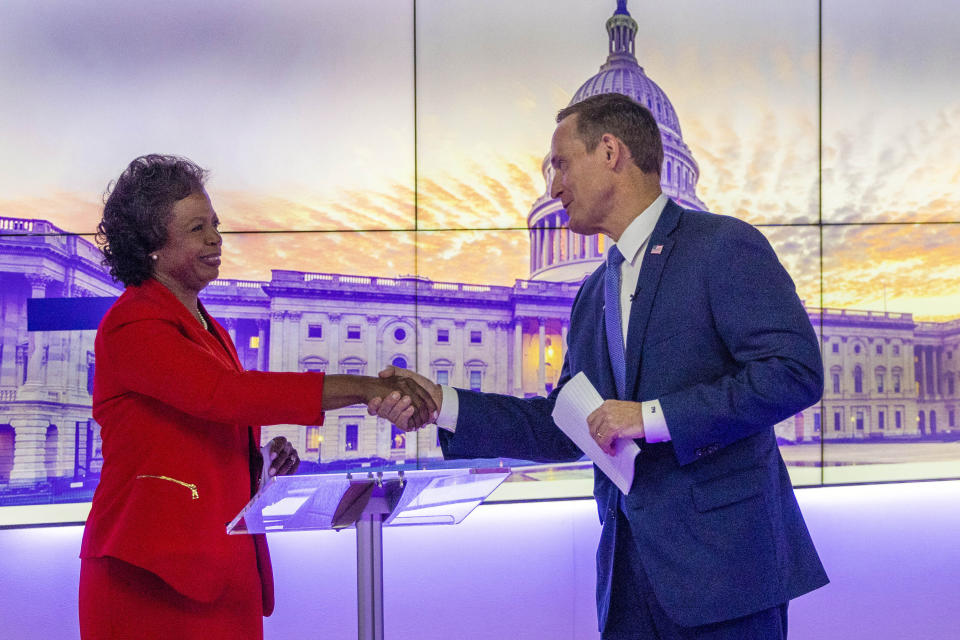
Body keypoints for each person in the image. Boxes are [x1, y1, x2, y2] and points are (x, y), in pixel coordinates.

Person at [372, 93, 828, 639]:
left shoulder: (723, 246)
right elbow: (569, 424)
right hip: (626, 580)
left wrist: (650, 416)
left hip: (723, 575)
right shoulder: (593, 293)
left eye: (560, 164)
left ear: (610, 151)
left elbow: (793, 371)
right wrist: (443, 404)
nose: (552, 188)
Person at [79, 154, 436, 640]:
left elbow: (197, 433)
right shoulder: (132, 322)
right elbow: (223, 395)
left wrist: (260, 461)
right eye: (196, 228)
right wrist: (369, 388)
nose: (215, 238)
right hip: (153, 579)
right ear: (151, 248)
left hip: (220, 570)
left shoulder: (212, 330)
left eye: (215, 224)